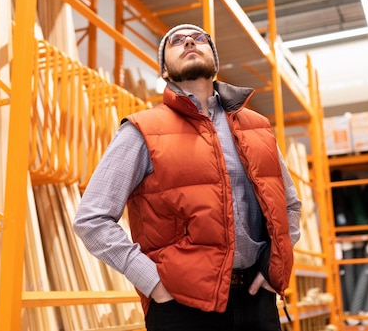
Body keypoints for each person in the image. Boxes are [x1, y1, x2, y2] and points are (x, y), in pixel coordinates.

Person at [73, 23, 302, 331]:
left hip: (256, 300)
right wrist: (154, 283)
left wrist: (272, 271)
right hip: (181, 307)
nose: (189, 42)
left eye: (199, 39)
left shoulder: (256, 126)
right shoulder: (143, 130)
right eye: (177, 41)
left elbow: (289, 205)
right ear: (165, 70)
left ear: (215, 61)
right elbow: (92, 218)